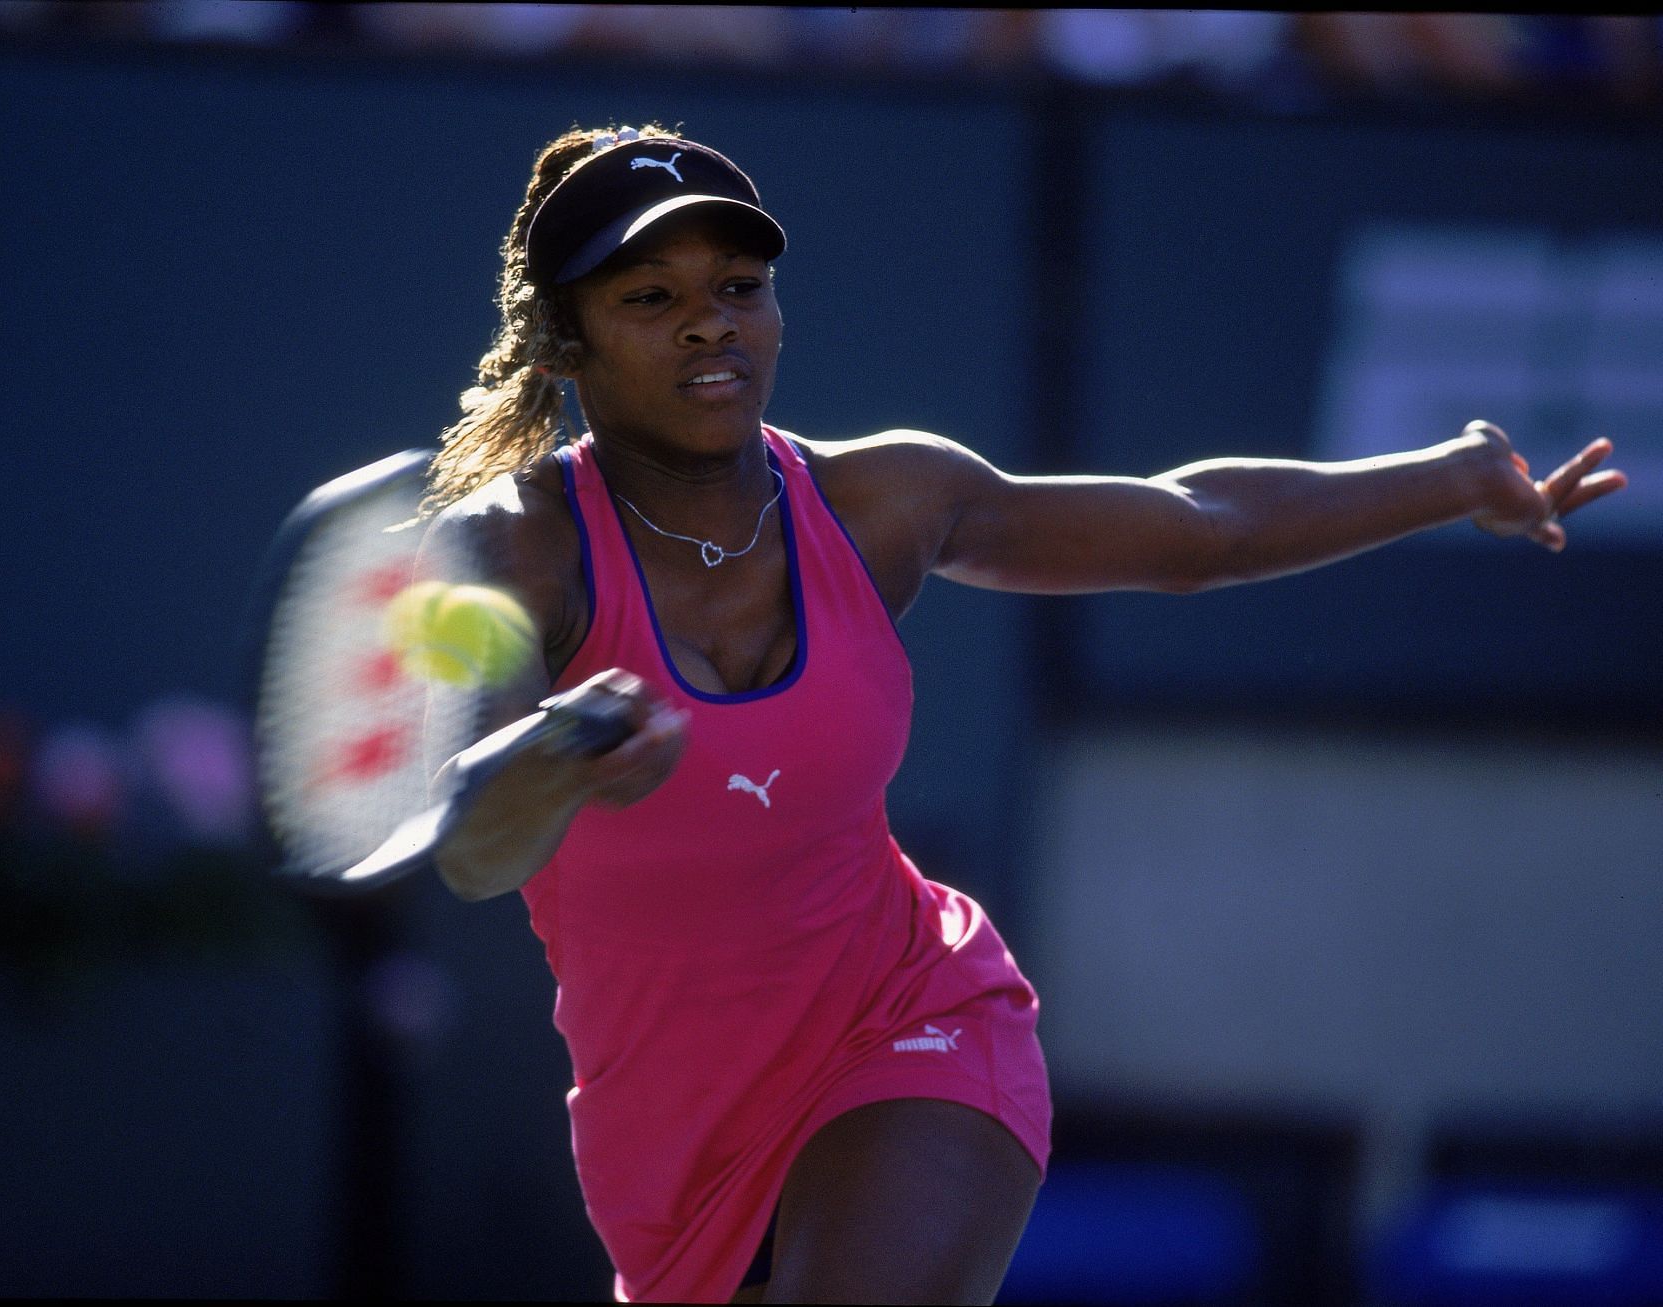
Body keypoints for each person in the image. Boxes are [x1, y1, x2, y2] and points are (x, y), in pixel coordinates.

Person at [414, 124, 1626, 1305]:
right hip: (666, 1144)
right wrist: (559, 752)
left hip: (911, 1022)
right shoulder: (508, 552)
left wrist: (1460, 477)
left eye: (740, 285)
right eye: (648, 295)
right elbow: (473, 843)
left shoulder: (882, 498)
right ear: (564, 339)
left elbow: (1197, 528)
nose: (709, 320)